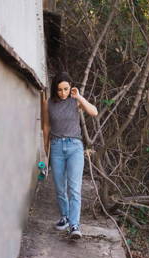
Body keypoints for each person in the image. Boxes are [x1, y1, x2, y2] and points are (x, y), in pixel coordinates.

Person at [43, 72, 98, 239]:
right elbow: (46, 127)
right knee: (60, 188)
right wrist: (46, 153)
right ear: (55, 89)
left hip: (75, 147)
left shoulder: (75, 101)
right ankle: (65, 217)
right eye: (59, 90)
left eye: (66, 89)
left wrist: (79, 97)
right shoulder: (48, 103)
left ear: (70, 87)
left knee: (74, 188)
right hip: (57, 147)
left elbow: (94, 112)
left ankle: (75, 225)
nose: (63, 93)